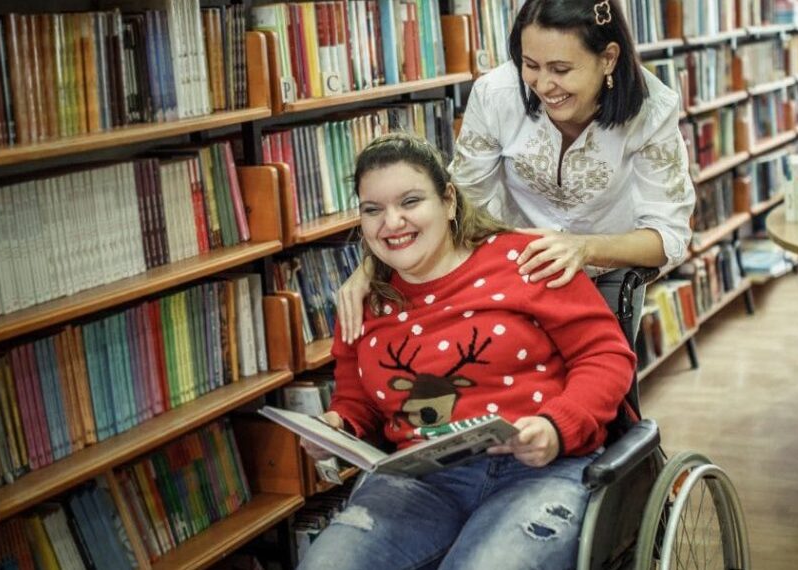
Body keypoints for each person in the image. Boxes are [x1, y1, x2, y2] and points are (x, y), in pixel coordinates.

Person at [296, 132, 636, 569]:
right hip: (420, 480)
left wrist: (556, 426)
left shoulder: (526, 260)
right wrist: (336, 426)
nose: (392, 222)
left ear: (449, 201)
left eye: (410, 201)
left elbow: (605, 356)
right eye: (373, 209)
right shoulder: (360, 300)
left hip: (542, 469)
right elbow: (356, 400)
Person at [337, 0, 695, 344]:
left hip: (607, 275)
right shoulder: (496, 94)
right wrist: (373, 267)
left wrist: (585, 248)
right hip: (509, 273)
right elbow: (460, 201)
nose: (543, 85)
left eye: (561, 69)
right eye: (530, 64)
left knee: (600, 372)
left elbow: (669, 237)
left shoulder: (653, 111)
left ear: (608, 58)